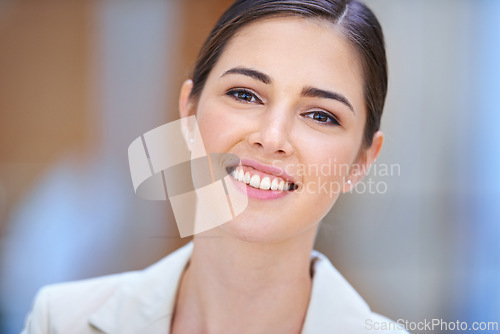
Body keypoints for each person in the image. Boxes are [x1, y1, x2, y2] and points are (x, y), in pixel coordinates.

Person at [22, 0, 409, 333]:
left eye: (321, 116)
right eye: (245, 94)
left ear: (361, 162)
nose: (272, 137)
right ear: (188, 111)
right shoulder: (62, 320)